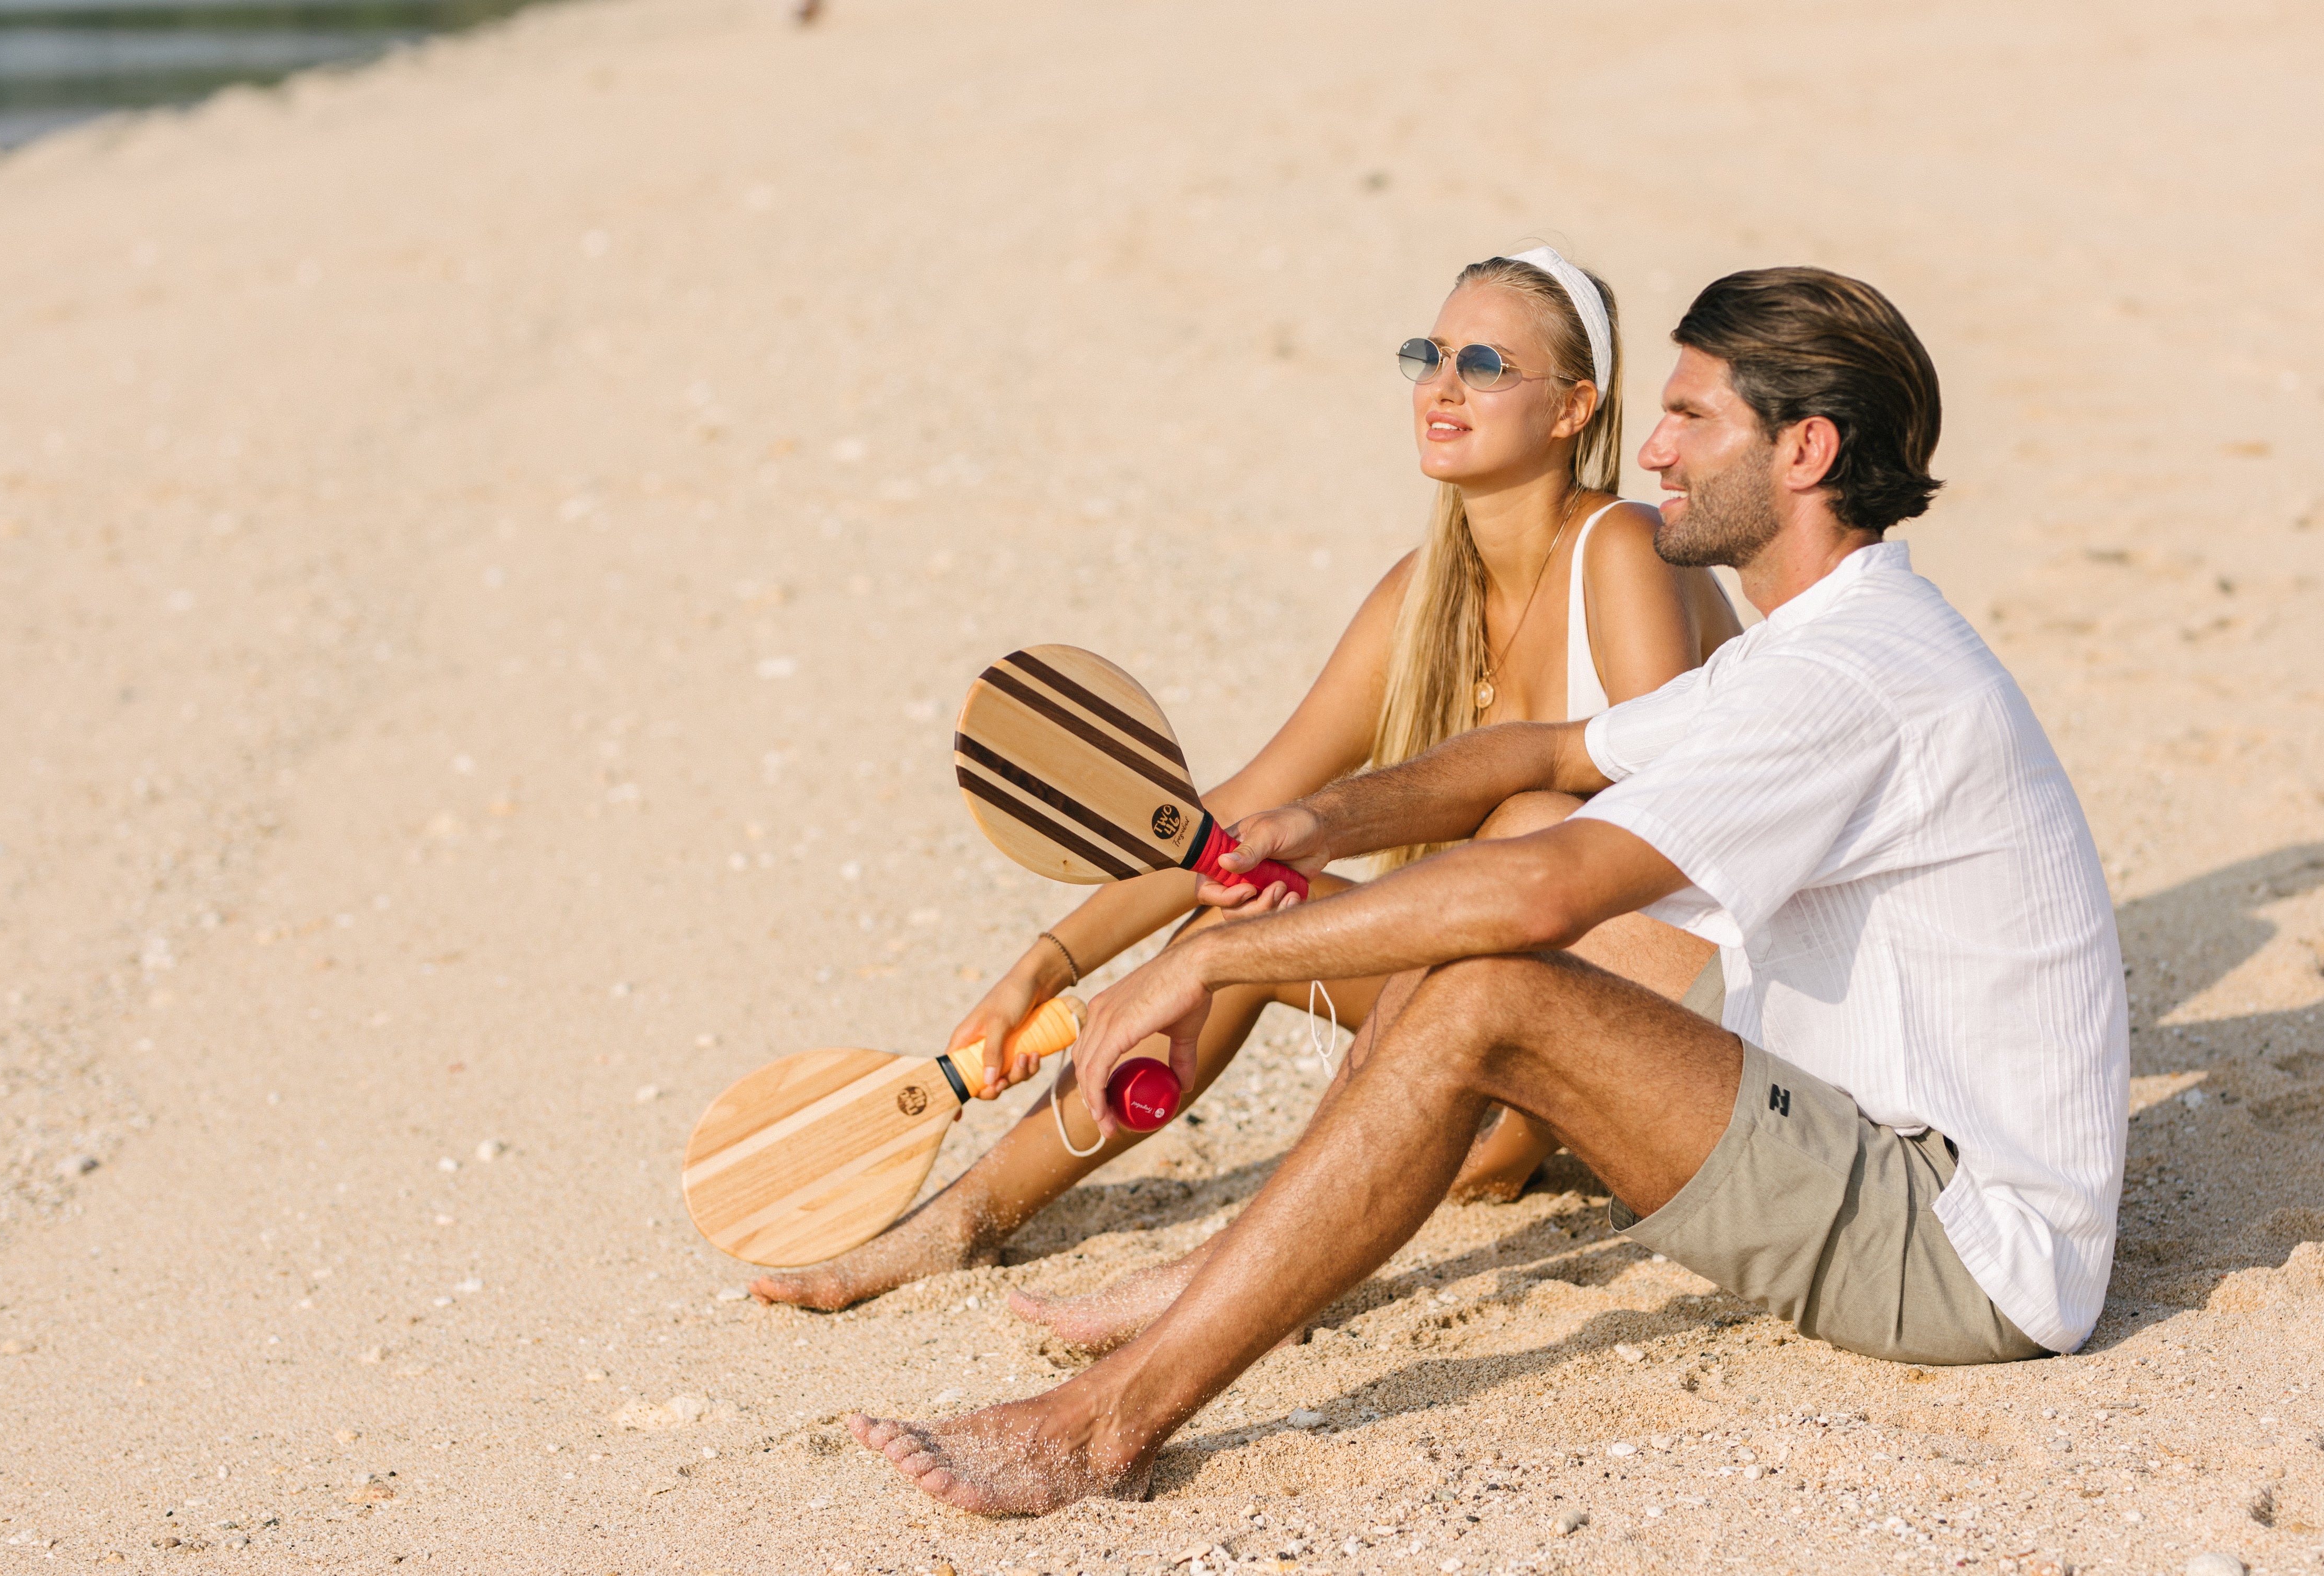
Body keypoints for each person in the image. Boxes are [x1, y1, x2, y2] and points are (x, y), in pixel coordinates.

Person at [846, 266, 2131, 1513]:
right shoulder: (1817, 642)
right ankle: (1227, 1268)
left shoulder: (1842, 678)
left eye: (1691, 418)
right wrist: (1315, 821)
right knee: (1482, 925)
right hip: (1853, 1125)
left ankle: (1095, 1428)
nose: (1655, 452)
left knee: (1486, 993)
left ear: (1804, 451)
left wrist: (1203, 959)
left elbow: (1544, 894)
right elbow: (1543, 756)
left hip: (1959, 1247)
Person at [750, 246, 1742, 1315]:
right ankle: (963, 1220)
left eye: (1487, 364)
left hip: (1706, 1018)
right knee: (1245, 913)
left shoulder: (1625, 548)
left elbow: (1654, 842)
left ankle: (1284, 1240)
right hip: (1526, 990)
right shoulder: (1422, 597)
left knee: (1530, 819)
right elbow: (1231, 817)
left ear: (1573, 409)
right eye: (1429, 355)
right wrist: (1043, 967)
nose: (1443, 386)